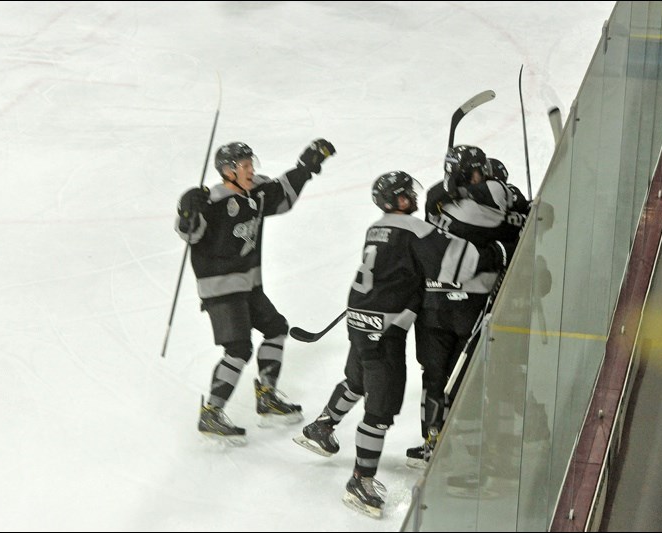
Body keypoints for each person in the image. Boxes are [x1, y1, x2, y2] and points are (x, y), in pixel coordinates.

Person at [292, 171, 510, 518]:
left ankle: (322, 426)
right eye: (408, 193)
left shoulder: (376, 228)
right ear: (401, 200)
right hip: (385, 329)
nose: (414, 197)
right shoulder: (414, 229)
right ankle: (360, 482)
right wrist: (498, 252)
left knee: (358, 380)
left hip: (360, 320)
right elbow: (461, 263)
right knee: (381, 406)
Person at [175, 139, 336, 445]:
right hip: (220, 289)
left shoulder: (256, 194)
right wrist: (186, 210)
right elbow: (189, 232)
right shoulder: (211, 201)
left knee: (276, 328)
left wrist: (306, 167)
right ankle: (212, 411)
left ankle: (267, 396)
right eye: (244, 166)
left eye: (251, 164)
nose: (251, 170)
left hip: (248, 284)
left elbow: (283, 194)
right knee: (238, 349)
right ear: (228, 171)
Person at [406, 146, 527, 468]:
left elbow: (440, 199)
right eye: (479, 170)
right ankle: (463, 454)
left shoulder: (437, 200)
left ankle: (431, 442)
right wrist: (509, 244)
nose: (484, 174)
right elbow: (504, 198)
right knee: (466, 381)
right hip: (468, 303)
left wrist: (450, 185)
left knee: (434, 377)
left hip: (432, 302)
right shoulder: (487, 200)